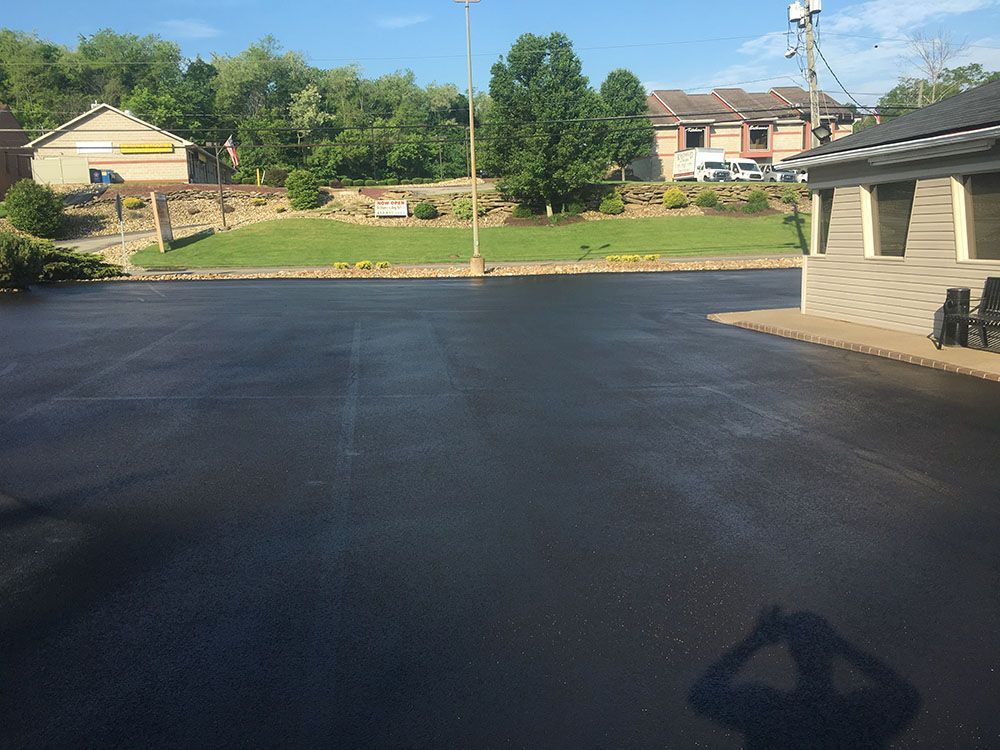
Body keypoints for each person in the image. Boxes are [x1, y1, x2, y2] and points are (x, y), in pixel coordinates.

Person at [689, 606, 920, 749]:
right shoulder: (858, 717)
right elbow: (907, 695)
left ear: (793, 652)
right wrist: (842, 645)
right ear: (830, 649)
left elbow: (702, 694)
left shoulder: (768, 712)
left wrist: (755, 641)